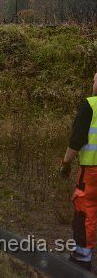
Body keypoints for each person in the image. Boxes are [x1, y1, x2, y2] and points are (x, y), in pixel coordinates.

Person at [60, 70, 97, 270]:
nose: (93, 83)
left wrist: (66, 163)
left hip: (92, 171)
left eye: (94, 80)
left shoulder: (91, 106)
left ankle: (82, 258)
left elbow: (77, 140)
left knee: (85, 210)